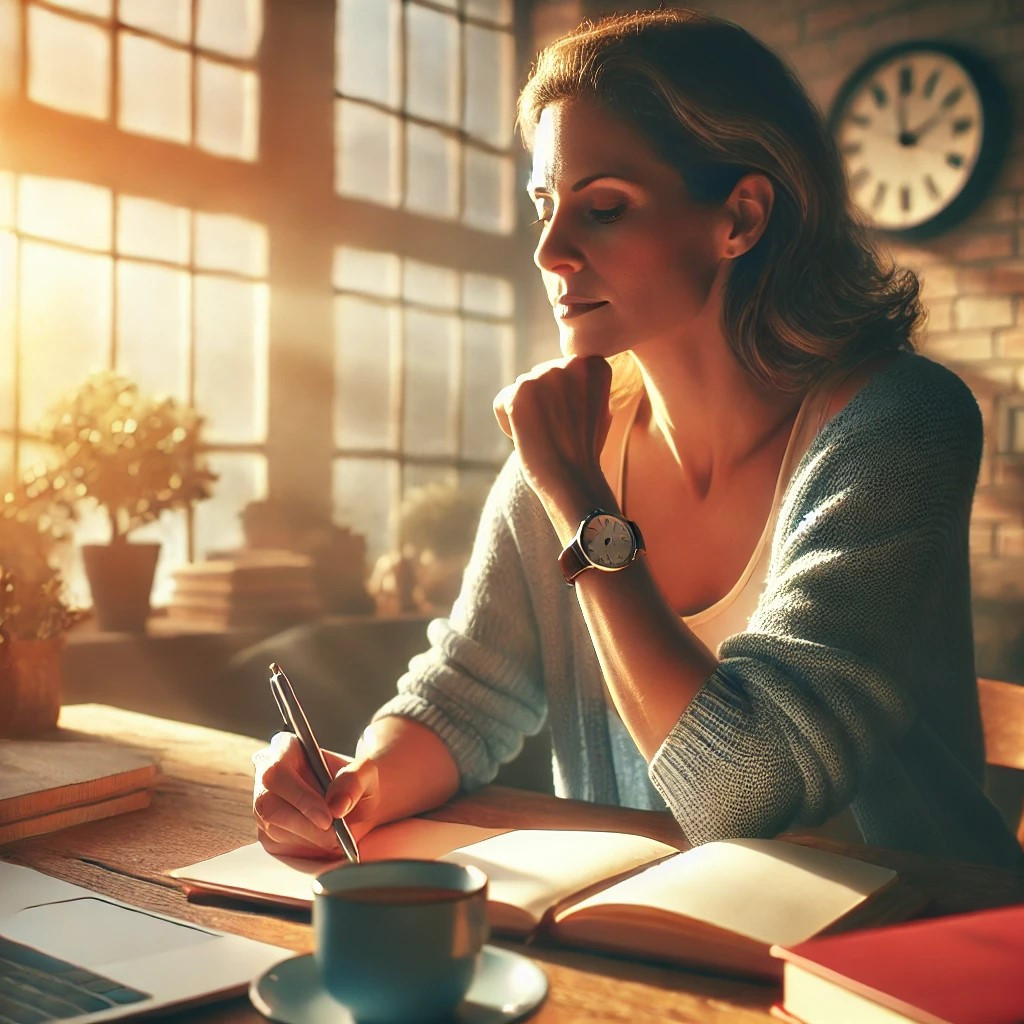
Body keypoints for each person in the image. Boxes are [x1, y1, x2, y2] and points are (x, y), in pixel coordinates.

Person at [253, 10, 1023, 870]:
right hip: (659, 954)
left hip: (900, 962)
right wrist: (355, 785)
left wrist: (583, 506)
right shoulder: (569, 449)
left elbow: (743, 793)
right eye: (545, 205)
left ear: (739, 217)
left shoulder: (900, 423)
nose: (550, 250)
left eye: (604, 208)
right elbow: (466, 696)